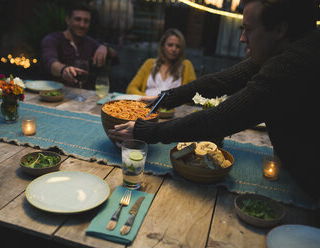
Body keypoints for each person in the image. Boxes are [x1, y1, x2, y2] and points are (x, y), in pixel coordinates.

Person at [108, 0, 320, 199]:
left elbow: (220, 119)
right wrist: (165, 98)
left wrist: (145, 132)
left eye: (249, 29)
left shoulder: (294, 64)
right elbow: (220, 81)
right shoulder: (282, 51)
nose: (242, 38)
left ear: (280, 30)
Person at [41, 3, 118, 89]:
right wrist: (64, 70)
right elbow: (49, 62)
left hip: (82, 95)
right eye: (78, 19)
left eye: (86, 21)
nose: (82, 25)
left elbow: (115, 60)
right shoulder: (52, 39)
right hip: (56, 94)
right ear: (67, 20)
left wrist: (105, 47)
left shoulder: (89, 42)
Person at [126, 28, 196, 96]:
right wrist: (146, 98)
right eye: (170, 45)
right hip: (146, 105)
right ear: (162, 46)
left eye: (178, 46)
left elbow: (193, 94)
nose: (174, 49)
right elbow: (131, 88)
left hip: (172, 107)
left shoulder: (186, 65)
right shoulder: (149, 63)